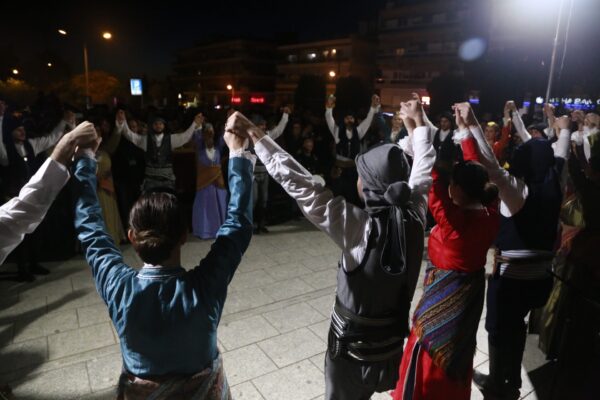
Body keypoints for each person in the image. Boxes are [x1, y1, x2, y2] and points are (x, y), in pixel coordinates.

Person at [227, 97, 435, 399]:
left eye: (363, 175)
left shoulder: (360, 227)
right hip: (390, 351)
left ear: (370, 186)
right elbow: (423, 170)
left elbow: (303, 186)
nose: (358, 179)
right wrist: (418, 126)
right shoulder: (415, 215)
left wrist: (255, 134)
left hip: (351, 355)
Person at [72, 112, 254, 399]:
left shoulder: (119, 288)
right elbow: (238, 224)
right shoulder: (204, 287)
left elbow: (90, 229)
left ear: (132, 237)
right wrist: (238, 153)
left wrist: (84, 159)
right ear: (184, 235)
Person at [462, 101, 571, 398]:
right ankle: (512, 379)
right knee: (518, 325)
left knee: (498, 328)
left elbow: (490, 165)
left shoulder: (518, 190)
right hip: (541, 279)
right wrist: (564, 131)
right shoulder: (555, 182)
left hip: (512, 280)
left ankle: (498, 384)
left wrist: (472, 123)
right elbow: (560, 156)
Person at [393, 106, 500, 400]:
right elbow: (475, 170)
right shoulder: (491, 212)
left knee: (430, 346)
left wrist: (417, 124)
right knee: (457, 349)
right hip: (468, 299)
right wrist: (463, 130)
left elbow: (431, 177)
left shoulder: (454, 224)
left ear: (458, 189)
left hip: (441, 298)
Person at [1, 111, 76, 281]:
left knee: (34, 231)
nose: (22, 131)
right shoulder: (4, 150)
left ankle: (34, 263)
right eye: (17, 129)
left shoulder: (30, 145)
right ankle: (22, 269)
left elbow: (51, 139)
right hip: (12, 197)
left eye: (22, 128)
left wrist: (64, 122)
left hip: (31, 195)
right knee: (16, 234)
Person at [115, 110, 204, 191]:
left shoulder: (171, 139)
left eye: (160, 124)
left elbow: (185, 137)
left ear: (164, 125)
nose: (158, 126)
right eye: (156, 124)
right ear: (152, 126)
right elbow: (130, 135)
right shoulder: (145, 140)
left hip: (167, 181)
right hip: (150, 182)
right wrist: (122, 121)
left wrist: (194, 124)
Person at [325, 94, 381, 205]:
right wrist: (329, 108)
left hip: (353, 170)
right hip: (340, 169)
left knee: (352, 195)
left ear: (354, 120)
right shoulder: (337, 131)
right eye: (347, 118)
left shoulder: (358, 132)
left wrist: (372, 108)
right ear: (344, 120)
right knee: (338, 196)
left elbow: (367, 121)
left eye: (351, 118)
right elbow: (329, 119)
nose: (349, 120)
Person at [250, 106, 290, 233]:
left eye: (264, 125)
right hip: (253, 174)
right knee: (254, 200)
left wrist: (285, 116)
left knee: (263, 200)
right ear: (255, 126)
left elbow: (279, 130)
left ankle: (261, 225)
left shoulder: (267, 136)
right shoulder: (249, 138)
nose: (263, 127)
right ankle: (251, 225)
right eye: (261, 125)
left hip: (264, 173)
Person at [93, 118, 126, 245]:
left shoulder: (105, 149)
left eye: (98, 131)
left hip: (107, 188)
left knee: (109, 213)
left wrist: (119, 125)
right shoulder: (83, 152)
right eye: (94, 131)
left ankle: (111, 237)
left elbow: (115, 139)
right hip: (93, 189)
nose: (97, 134)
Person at [192, 122, 227, 239]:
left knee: (220, 205)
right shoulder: (200, 150)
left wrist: (227, 125)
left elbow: (224, 138)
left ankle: (220, 230)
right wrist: (198, 126)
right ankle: (205, 231)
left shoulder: (218, 149)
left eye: (211, 134)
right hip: (204, 184)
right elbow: (197, 138)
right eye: (207, 134)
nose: (209, 137)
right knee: (205, 208)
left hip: (217, 184)